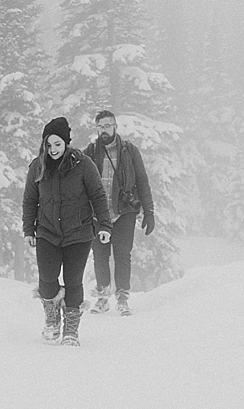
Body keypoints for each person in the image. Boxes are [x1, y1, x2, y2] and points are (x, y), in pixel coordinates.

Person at [23, 116, 112, 346]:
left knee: (73, 281)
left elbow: (98, 196)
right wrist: (28, 229)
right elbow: (30, 200)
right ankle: (52, 317)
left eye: (57, 144)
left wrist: (104, 225)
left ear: (66, 143)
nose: (53, 150)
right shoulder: (37, 166)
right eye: (49, 145)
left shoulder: (83, 165)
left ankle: (71, 328)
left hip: (78, 234)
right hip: (47, 232)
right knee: (47, 279)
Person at [82, 109, 155, 316]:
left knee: (123, 255)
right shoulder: (89, 152)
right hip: (98, 214)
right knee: (100, 256)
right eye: (100, 127)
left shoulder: (129, 151)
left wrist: (148, 211)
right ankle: (103, 298)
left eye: (107, 125)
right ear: (96, 129)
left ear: (115, 126)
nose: (104, 130)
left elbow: (142, 181)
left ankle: (122, 298)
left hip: (124, 211)